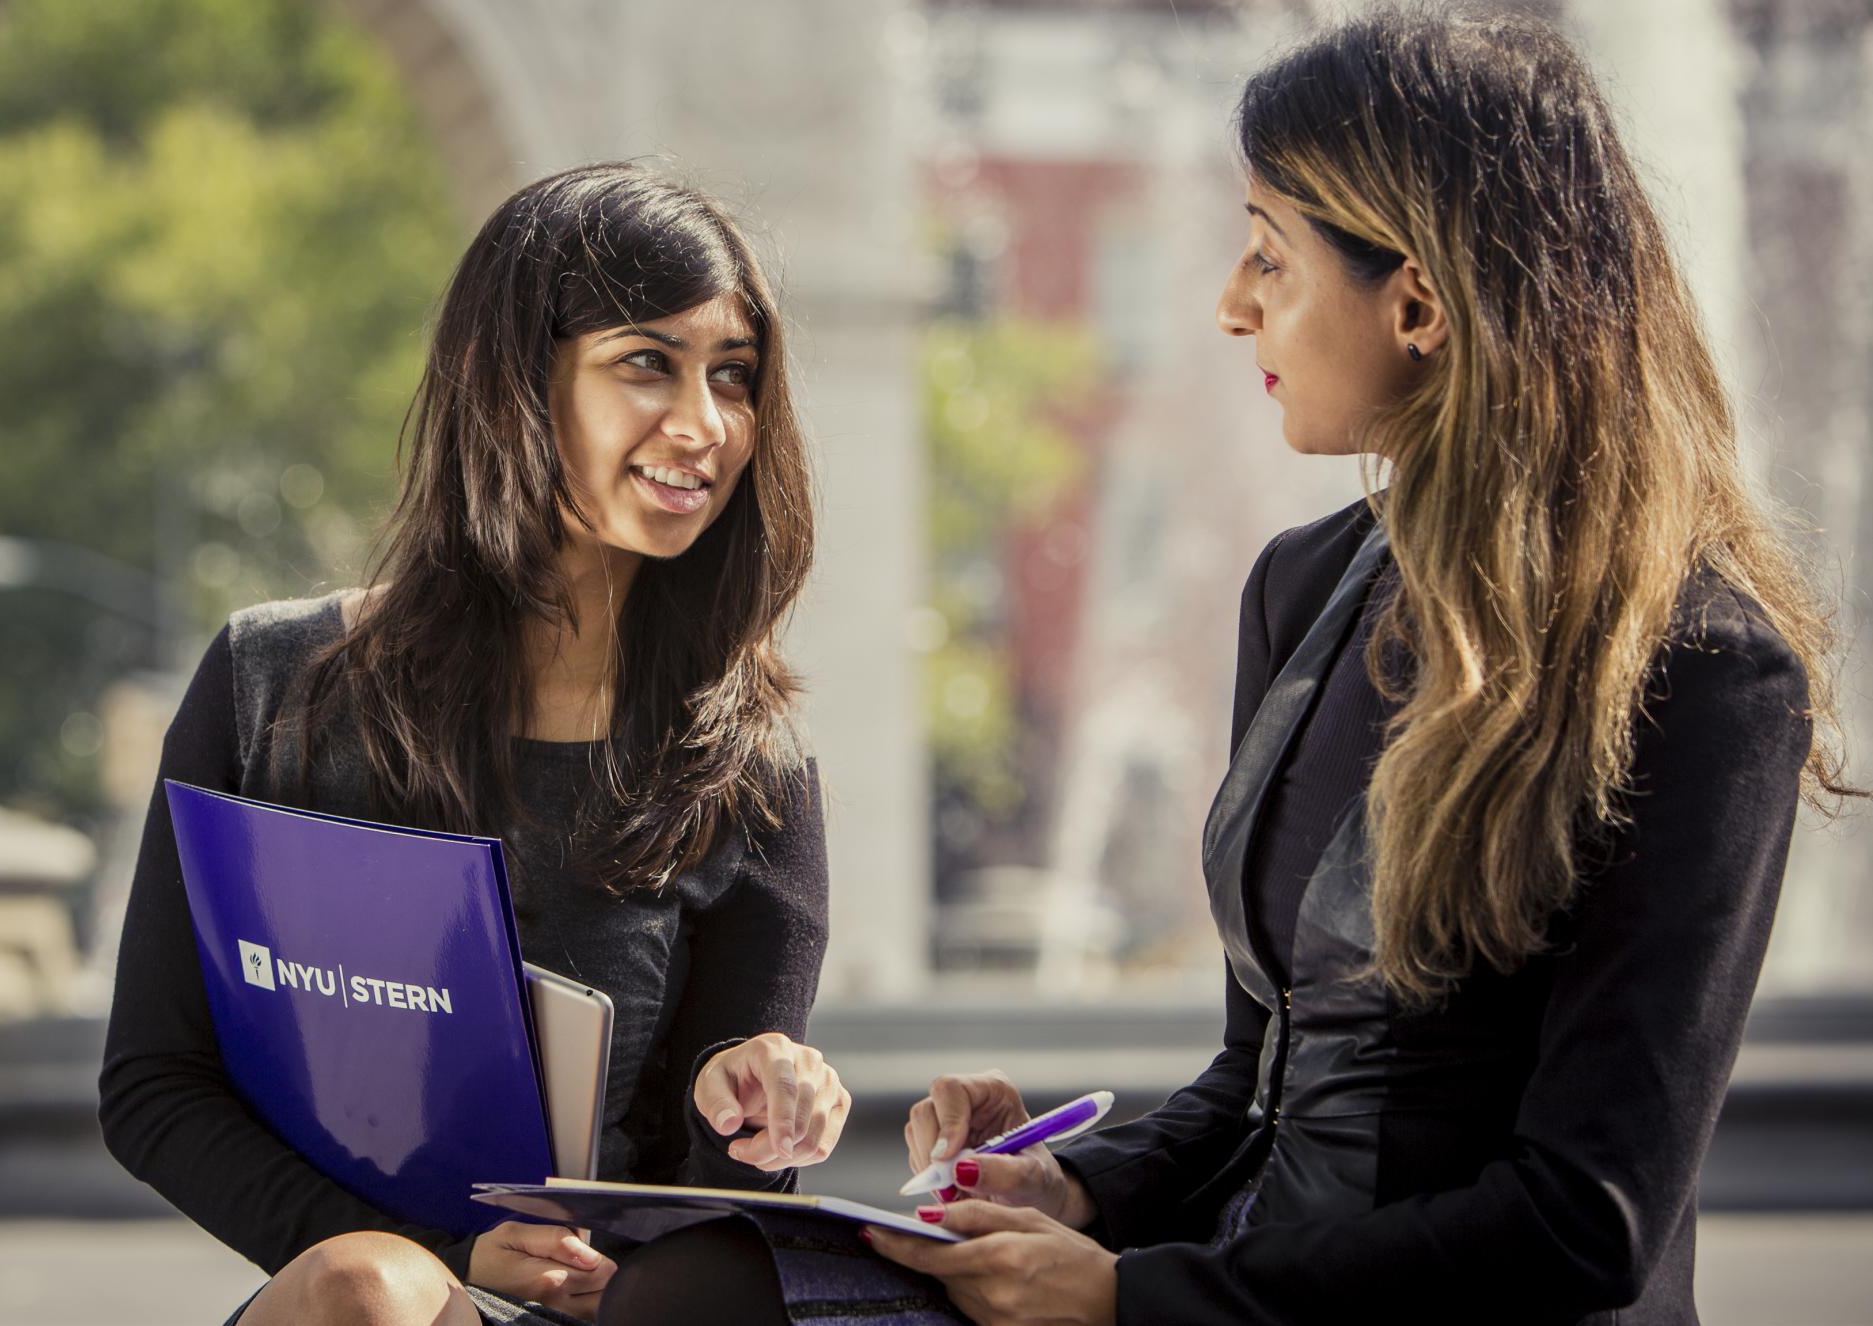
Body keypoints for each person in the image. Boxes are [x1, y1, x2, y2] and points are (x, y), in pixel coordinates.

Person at [855, 8, 1863, 1323]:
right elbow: (1258, 1077)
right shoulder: (1302, 586)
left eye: (1269, 259)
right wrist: (1077, 1192)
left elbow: (1585, 1219)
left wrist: (1134, 1297)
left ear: (1419, 301)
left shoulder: (1704, 667)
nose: (1230, 306)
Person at [99, 162, 858, 1326]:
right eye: (646, 362)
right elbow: (156, 1087)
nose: (704, 425)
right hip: (359, 1304)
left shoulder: (752, 764)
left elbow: (716, 1230)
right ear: (512, 381)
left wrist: (758, 1103)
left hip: (604, 1309)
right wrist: (439, 1251)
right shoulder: (271, 690)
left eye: (735, 377)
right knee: (374, 1290)